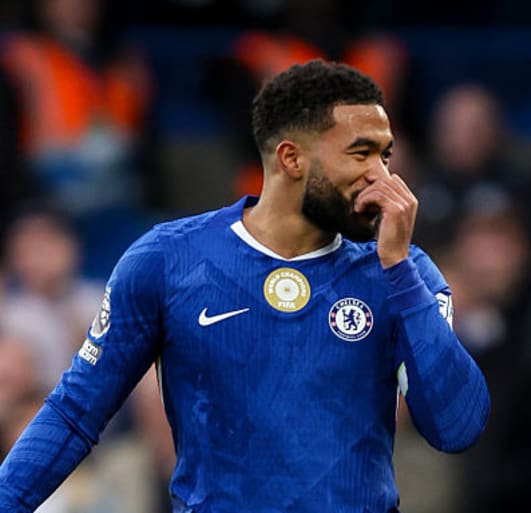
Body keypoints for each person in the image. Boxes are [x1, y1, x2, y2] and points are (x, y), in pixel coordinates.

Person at [0, 59, 490, 512]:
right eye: (361, 154)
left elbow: (456, 427)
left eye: (385, 156)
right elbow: (74, 414)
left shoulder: (404, 272)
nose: (382, 177)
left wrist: (399, 270)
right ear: (291, 159)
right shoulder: (168, 261)